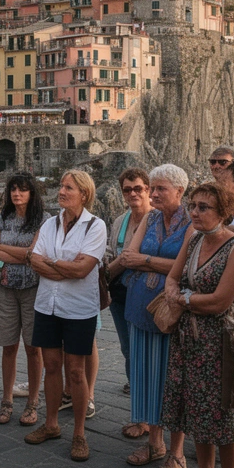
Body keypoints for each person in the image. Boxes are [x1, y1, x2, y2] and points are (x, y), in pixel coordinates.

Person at [162, 181, 234, 468]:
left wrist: (183, 299)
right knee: (194, 405)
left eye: (204, 207)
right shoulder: (195, 239)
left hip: (220, 342)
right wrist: (179, 293)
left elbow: (221, 301)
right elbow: (172, 277)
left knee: (225, 411)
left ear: (223, 212)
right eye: (193, 206)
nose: (195, 212)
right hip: (189, 338)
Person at [24, 170, 107, 462]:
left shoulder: (95, 226)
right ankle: (51, 425)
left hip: (78, 309)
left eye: (68, 187)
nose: (61, 191)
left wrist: (51, 263)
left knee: (75, 371)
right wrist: (63, 266)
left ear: (84, 194)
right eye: (61, 186)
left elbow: (83, 270)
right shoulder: (49, 224)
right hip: (47, 305)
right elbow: (34, 260)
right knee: (51, 366)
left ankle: (79, 433)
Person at [119, 164, 192, 468]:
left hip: (171, 312)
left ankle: (177, 453)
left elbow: (185, 266)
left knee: (172, 381)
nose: (154, 194)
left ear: (180, 191)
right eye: (154, 187)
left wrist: (146, 261)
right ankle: (154, 443)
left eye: (161, 188)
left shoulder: (191, 223)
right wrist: (158, 263)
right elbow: (127, 256)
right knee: (145, 376)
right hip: (139, 307)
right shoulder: (149, 219)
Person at [0, 173, 46, 427]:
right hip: (5, 288)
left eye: (22, 189)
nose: (16, 193)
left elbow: (35, 254)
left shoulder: (43, 220)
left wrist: (4, 249)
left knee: (34, 348)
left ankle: (33, 401)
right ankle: (7, 399)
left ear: (31, 193)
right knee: (8, 346)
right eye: (13, 189)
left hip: (33, 289)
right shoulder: (0, 218)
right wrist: (23, 256)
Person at [104, 166, 151, 423]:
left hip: (147, 294)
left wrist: (122, 262)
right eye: (127, 190)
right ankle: (138, 405)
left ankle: (147, 409)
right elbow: (113, 254)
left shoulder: (157, 220)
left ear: (148, 189)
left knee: (147, 350)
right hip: (121, 294)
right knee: (128, 349)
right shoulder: (120, 222)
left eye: (138, 188)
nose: (133, 194)